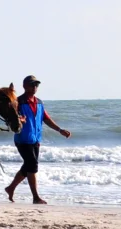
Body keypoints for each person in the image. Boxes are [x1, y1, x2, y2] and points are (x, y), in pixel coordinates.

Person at [5, 75, 71, 204]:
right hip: (23, 139)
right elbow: (11, 119)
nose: (35, 87)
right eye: (32, 84)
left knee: (28, 166)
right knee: (32, 165)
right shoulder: (18, 102)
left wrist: (59, 130)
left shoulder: (39, 102)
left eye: (36, 85)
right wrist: (19, 120)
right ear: (25, 86)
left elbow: (46, 119)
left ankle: (11, 188)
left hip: (35, 139)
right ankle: (35, 197)